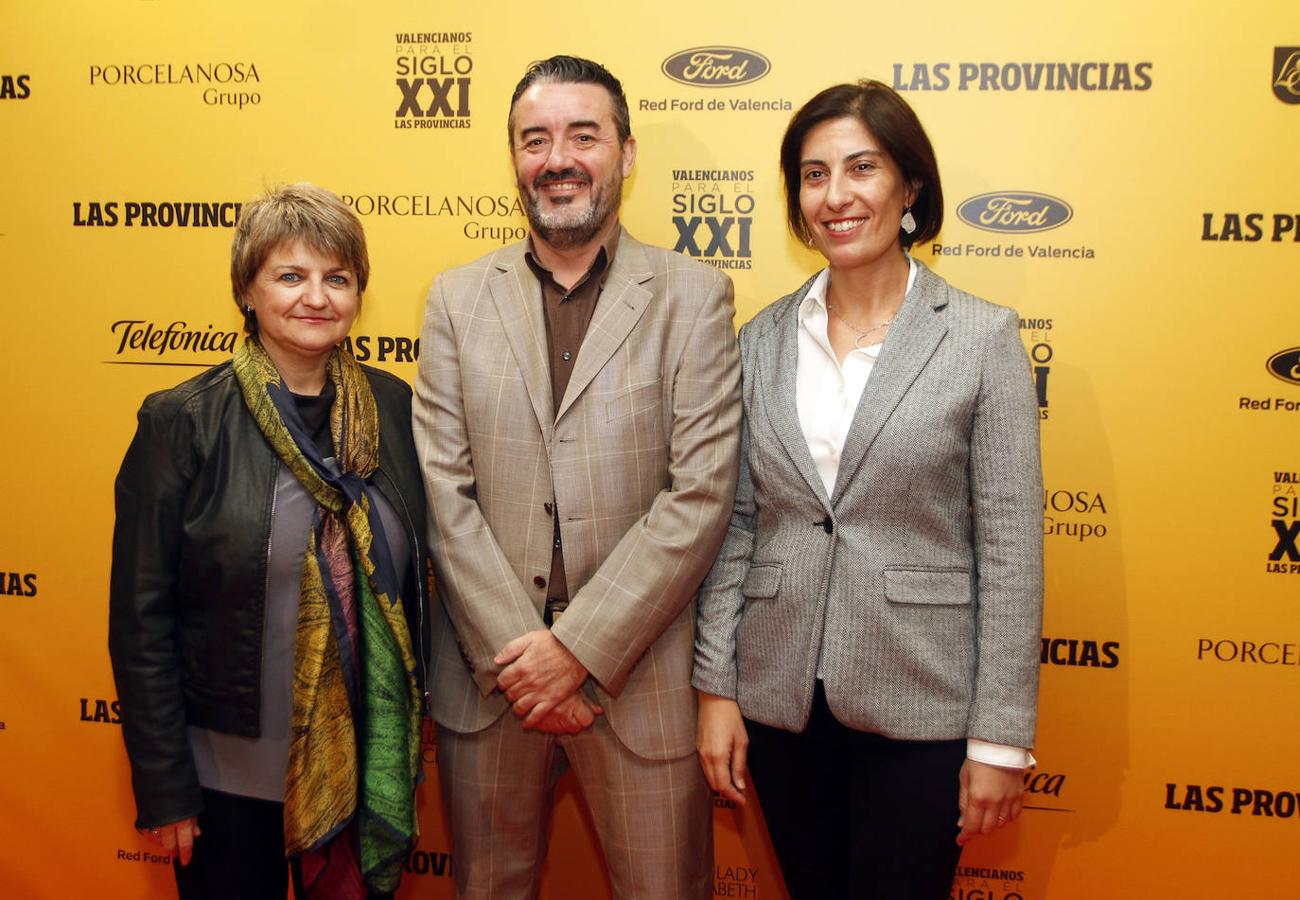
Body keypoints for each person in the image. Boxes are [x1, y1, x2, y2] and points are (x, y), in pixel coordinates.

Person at [693, 80, 1043, 899]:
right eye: (813, 175)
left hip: (924, 704)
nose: (836, 196)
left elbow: (1011, 551)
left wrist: (1001, 740)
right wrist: (716, 689)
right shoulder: (761, 338)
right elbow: (736, 526)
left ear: (909, 186)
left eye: (861, 168)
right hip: (779, 703)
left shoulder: (981, 339)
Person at [413, 55, 741, 899]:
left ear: (626, 153)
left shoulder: (693, 296)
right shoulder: (454, 300)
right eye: (535, 139)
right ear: (514, 158)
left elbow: (699, 495)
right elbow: (444, 497)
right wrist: (522, 660)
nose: (557, 158)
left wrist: (577, 651)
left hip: (637, 683)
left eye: (582, 135)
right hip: (492, 686)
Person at [108, 183, 428, 900]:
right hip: (223, 784)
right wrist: (165, 789)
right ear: (247, 291)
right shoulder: (182, 422)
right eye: (291, 276)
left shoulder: (393, 408)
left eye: (336, 278)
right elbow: (141, 619)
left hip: (365, 768)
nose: (316, 296)